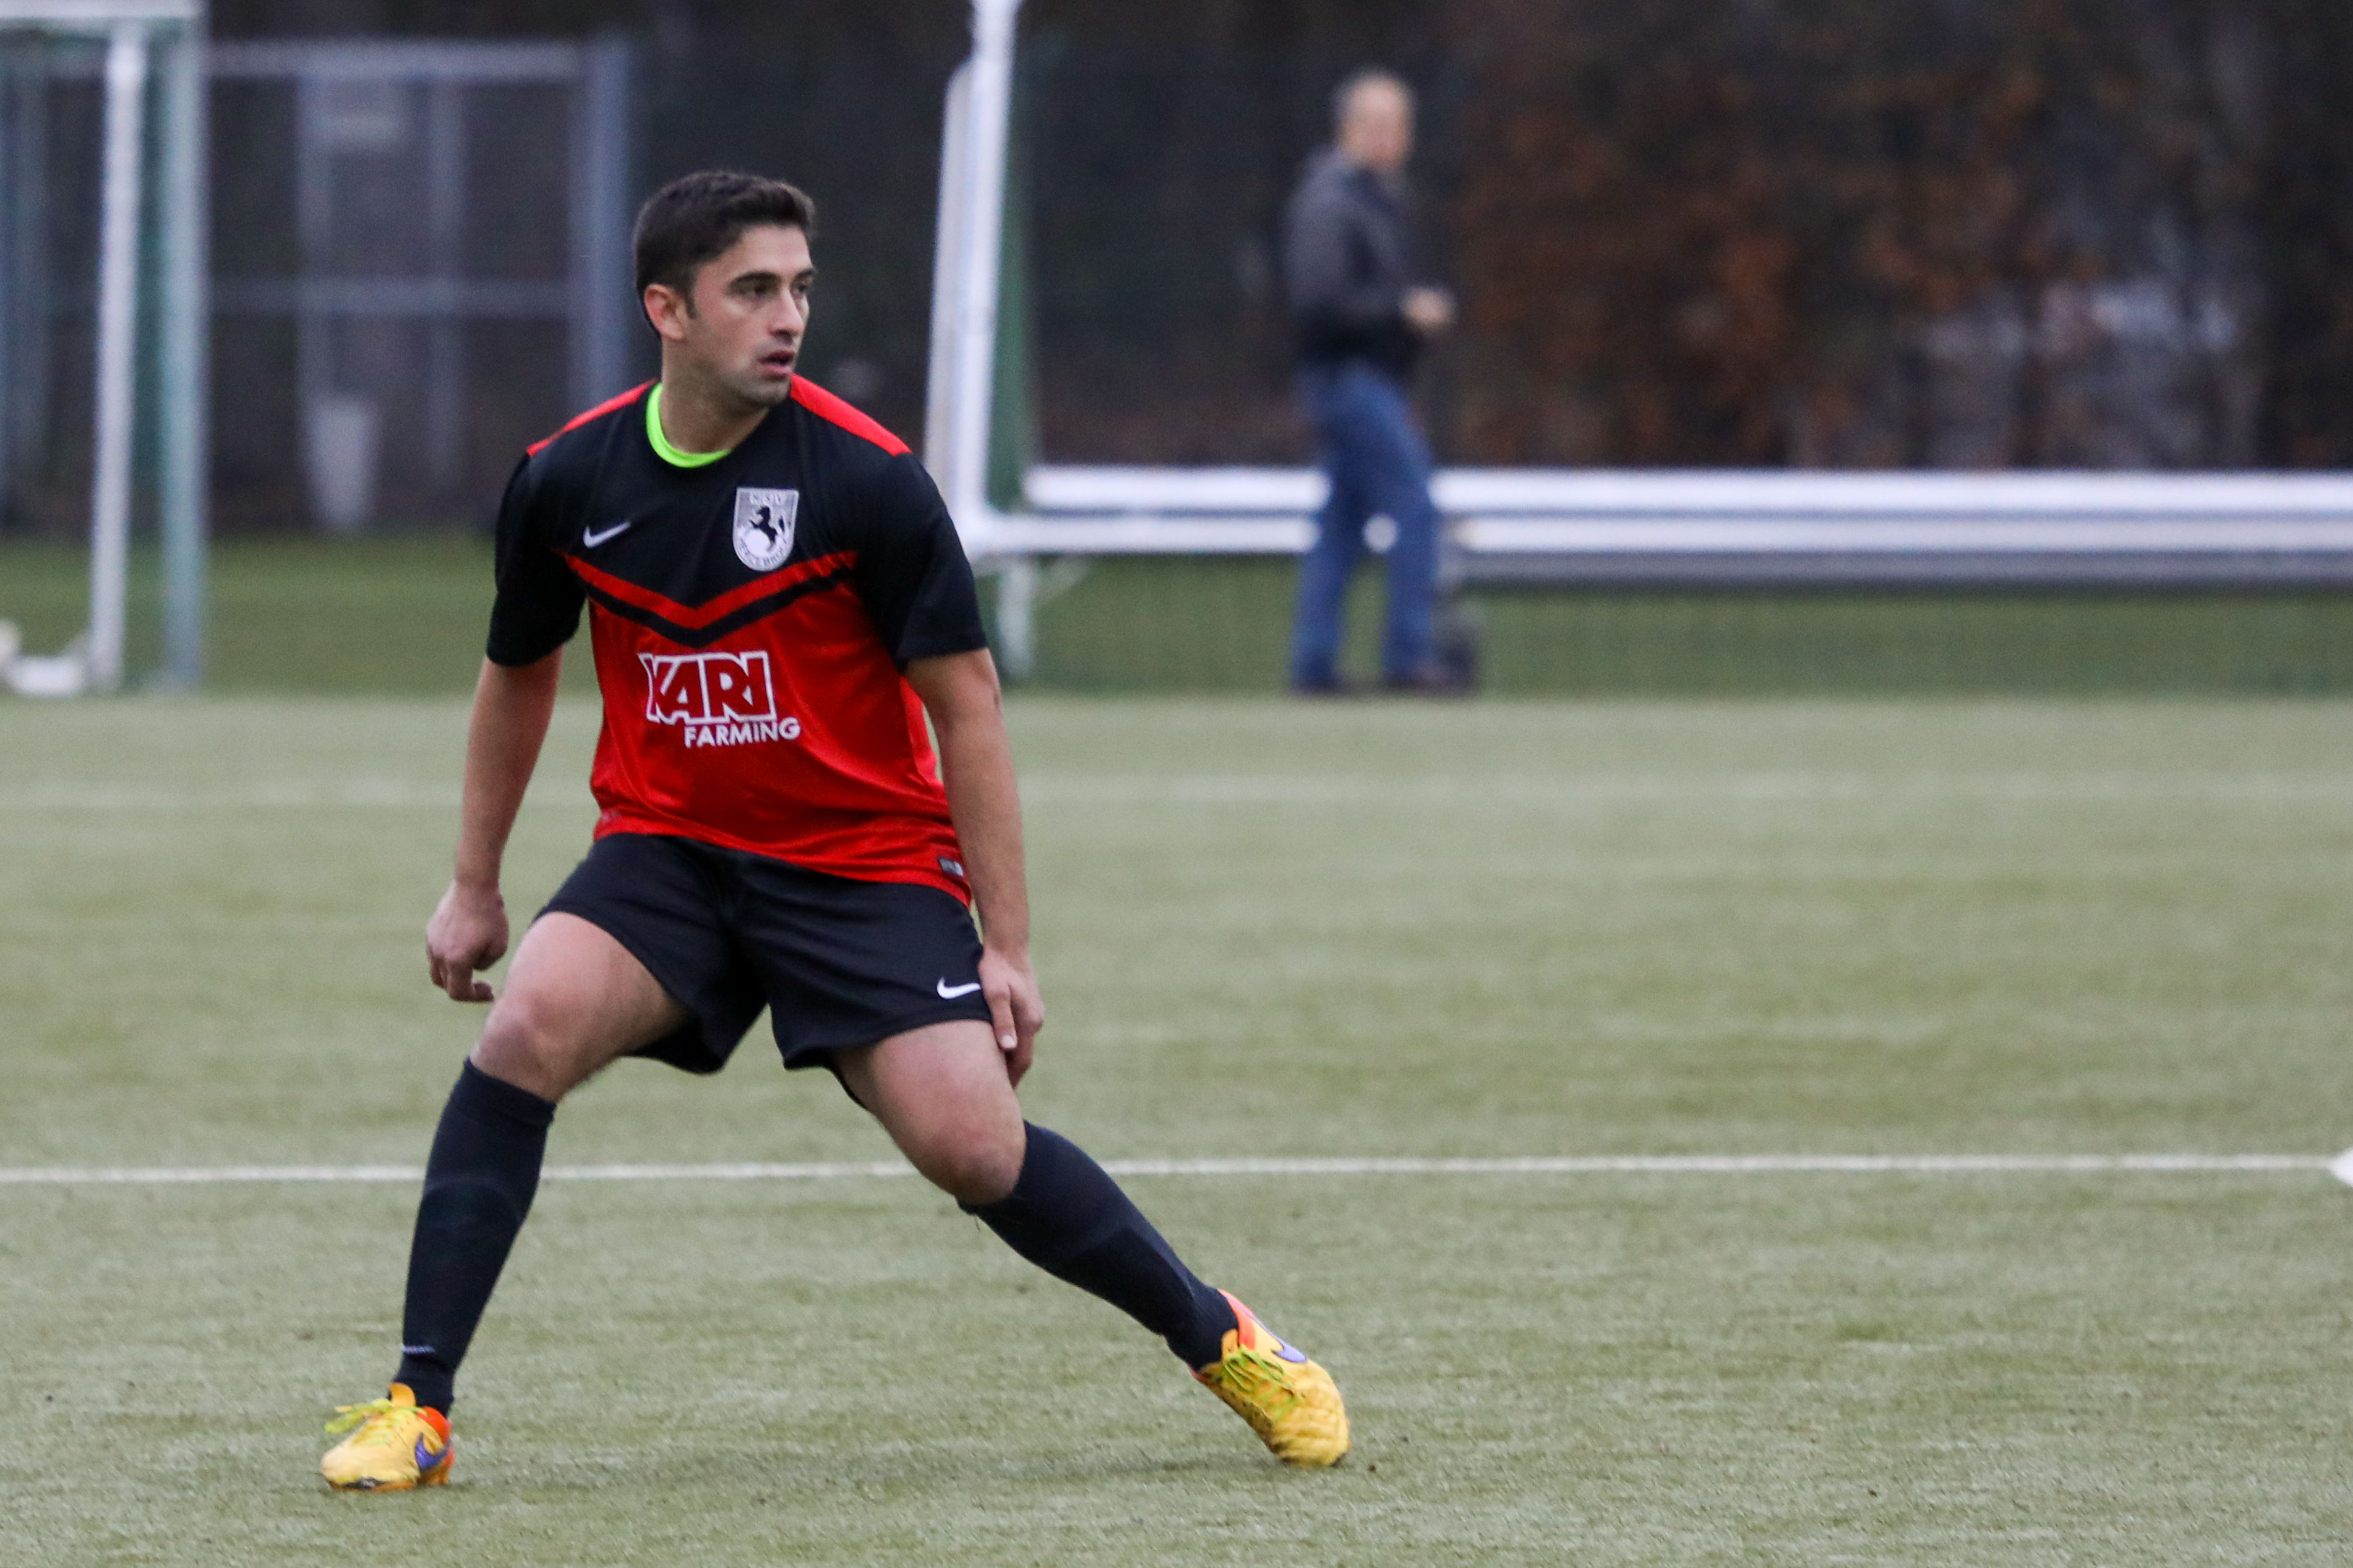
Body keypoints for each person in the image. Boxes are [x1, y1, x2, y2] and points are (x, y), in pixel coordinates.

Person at [319, 170, 1349, 1491]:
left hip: (863, 863)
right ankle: (419, 1404)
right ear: (666, 310)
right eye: (752, 289)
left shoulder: (868, 478)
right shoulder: (567, 477)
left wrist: (1007, 945)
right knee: (523, 1027)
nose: (788, 316)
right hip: (670, 853)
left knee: (973, 1145)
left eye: (799, 288)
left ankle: (1224, 1337)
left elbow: (967, 707)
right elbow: (517, 672)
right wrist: (474, 884)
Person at [1283, 69, 1464, 696]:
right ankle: (1408, 656)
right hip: (1346, 380)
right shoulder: (1330, 203)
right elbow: (1317, 302)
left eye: (1398, 125)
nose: (1389, 138)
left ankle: (1313, 664)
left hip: (1374, 379)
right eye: (1376, 124)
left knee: (1340, 527)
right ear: (1348, 128)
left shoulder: (1379, 199)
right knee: (1416, 508)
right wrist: (1401, 312)